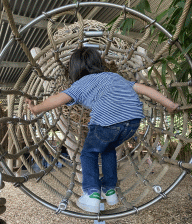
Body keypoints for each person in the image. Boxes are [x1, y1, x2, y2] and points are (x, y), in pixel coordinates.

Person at [26, 47, 179, 213]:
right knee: (108, 150)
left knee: (88, 153)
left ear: (74, 69)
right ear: (100, 64)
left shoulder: (80, 84)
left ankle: (92, 194)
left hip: (107, 124)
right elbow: (144, 89)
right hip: (133, 123)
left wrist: (36, 109)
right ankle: (109, 190)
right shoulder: (114, 76)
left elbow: (57, 99)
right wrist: (169, 104)